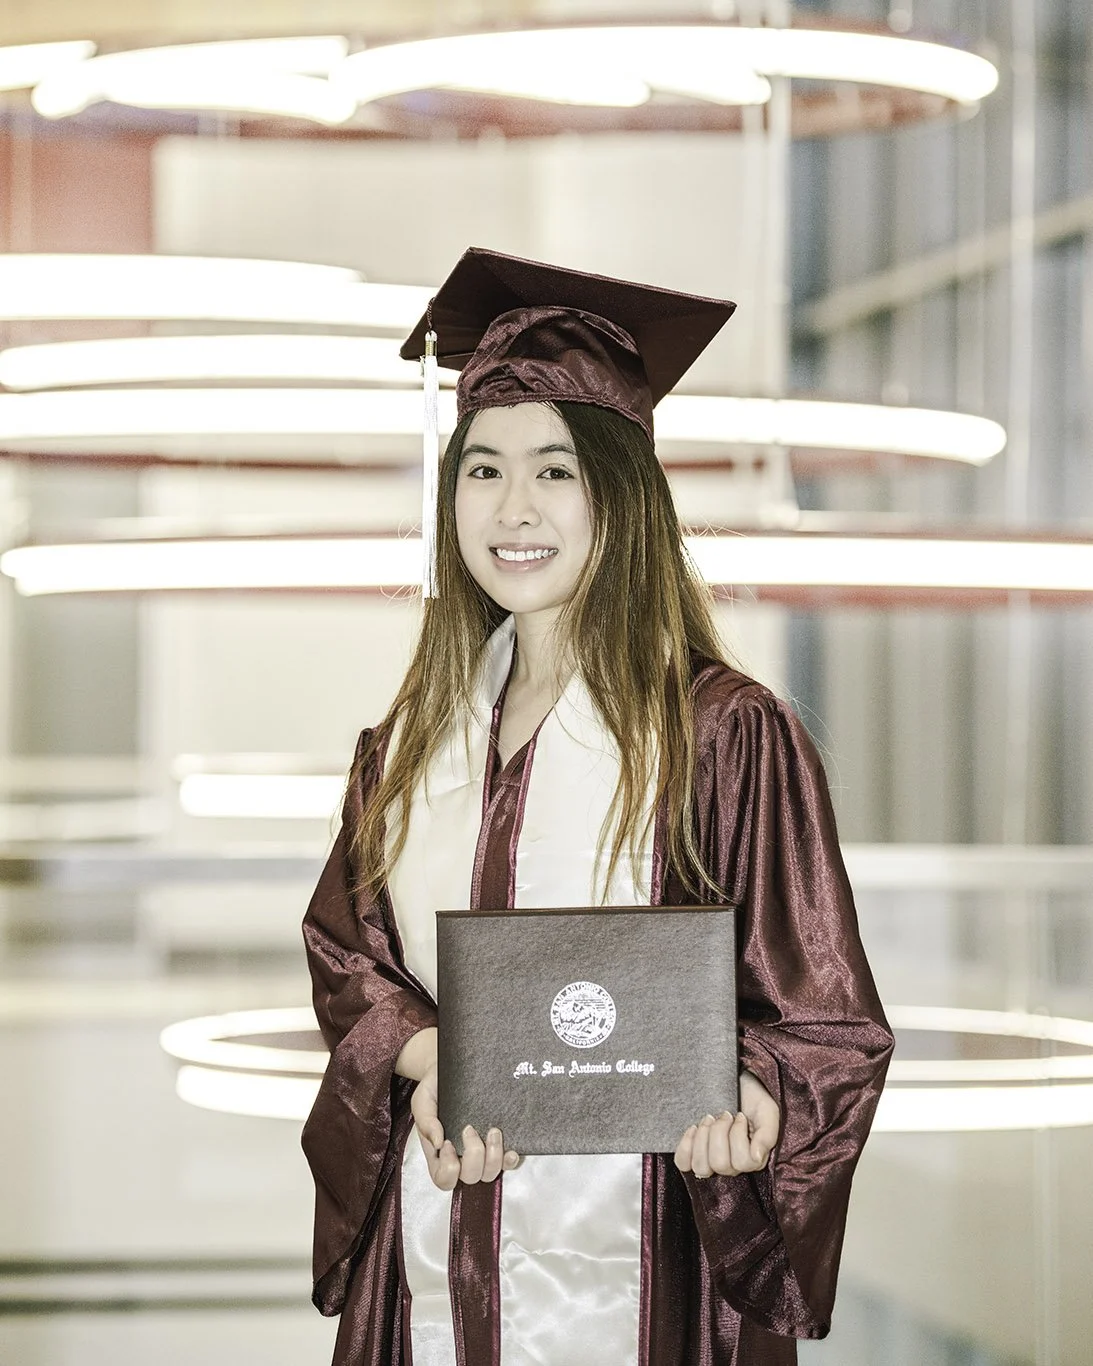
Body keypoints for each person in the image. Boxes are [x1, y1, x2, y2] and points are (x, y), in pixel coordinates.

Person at [301, 247, 894, 1366]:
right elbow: (349, 961)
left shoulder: (720, 733)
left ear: (620, 490)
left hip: (641, 1259)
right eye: (480, 470)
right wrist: (428, 1064)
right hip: (436, 1244)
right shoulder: (408, 744)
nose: (511, 508)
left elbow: (821, 1019)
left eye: (555, 470)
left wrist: (756, 1096)